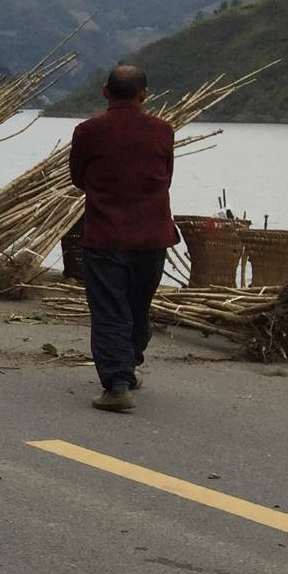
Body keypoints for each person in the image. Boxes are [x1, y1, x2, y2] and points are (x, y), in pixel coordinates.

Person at [68, 63, 177, 412]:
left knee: (110, 309)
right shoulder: (163, 131)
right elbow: (166, 176)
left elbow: (78, 177)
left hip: (105, 234)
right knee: (137, 304)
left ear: (105, 92)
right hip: (151, 236)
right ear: (144, 95)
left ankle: (118, 382)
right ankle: (128, 366)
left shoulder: (88, 131)